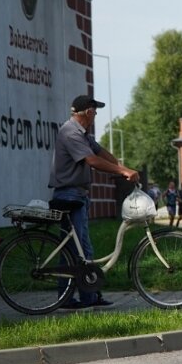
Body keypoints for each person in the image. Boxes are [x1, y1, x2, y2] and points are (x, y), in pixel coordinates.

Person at [48, 95, 139, 309]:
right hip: (69, 195)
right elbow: (92, 160)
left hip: (78, 195)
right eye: (95, 111)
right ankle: (66, 298)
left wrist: (120, 167)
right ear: (88, 112)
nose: (96, 115)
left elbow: (101, 153)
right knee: (73, 249)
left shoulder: (83, 135)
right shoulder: (70, 132)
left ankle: (90, 297)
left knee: (84, 249)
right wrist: (123, 170)